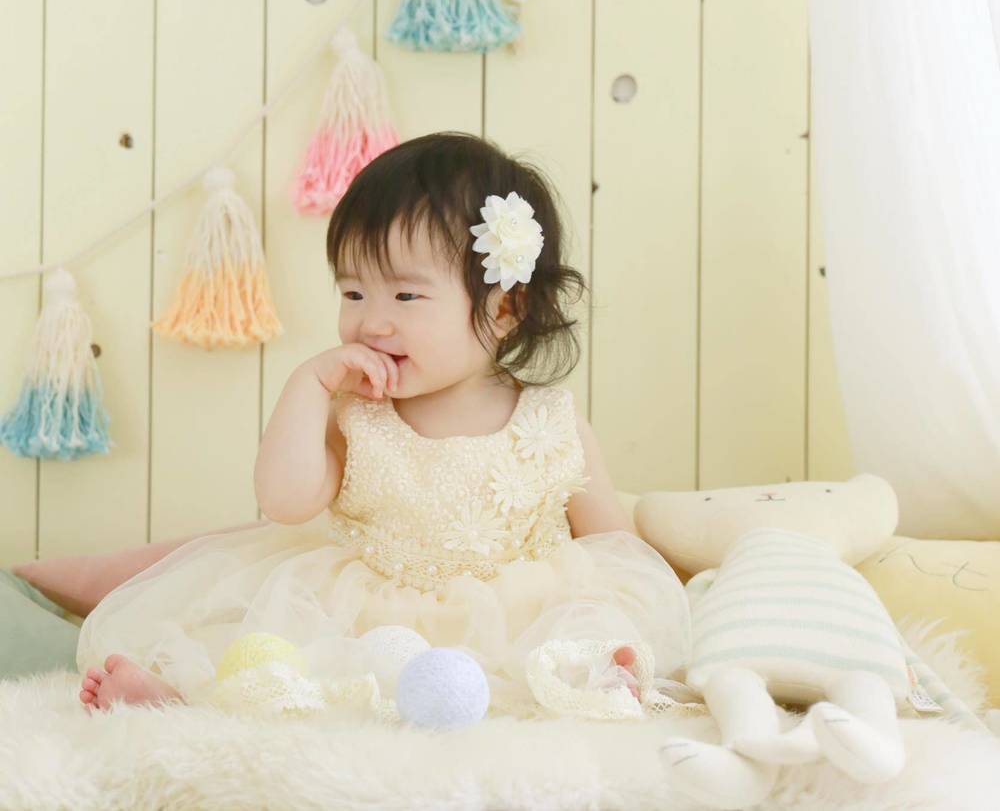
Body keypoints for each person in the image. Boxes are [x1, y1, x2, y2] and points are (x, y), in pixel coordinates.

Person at [75, 132, 690, 720]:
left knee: (562, 667)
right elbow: (283, 501)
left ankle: (595, 684)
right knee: (277, 667)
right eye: (353, 293)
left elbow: (617, 551)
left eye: (405, 297)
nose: (371, 322)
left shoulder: (551, 421)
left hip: (517, 621)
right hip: (366, 622)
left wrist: (615, 634)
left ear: (505, 307)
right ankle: (181, 699)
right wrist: (309, 386)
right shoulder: (355, 416)